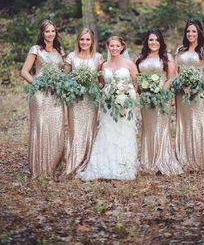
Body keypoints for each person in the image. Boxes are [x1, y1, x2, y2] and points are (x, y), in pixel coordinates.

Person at [78, 35, 138, 180]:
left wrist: (127, 97)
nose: (114, 48)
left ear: (122, 47)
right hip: (108, 106)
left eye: (117, 46)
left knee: (124, 133)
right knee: (107, 132)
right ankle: (105, 165)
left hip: (125, 106)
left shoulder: (130, 64)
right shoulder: (103, 65)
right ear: (107, 47)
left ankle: (124, 165)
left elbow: (137, 85)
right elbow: (101, 84)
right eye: (112, 46)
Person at [21, 20, 65, 178]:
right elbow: (24, 72)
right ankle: (39, 167)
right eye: (47, 31)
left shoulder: (60, 50)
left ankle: (52, 166)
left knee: (56, 126)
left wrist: (62, 83)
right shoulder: (36, 49)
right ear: (42, 33)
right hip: (40, 94)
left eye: (53, 31)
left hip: (56, 93)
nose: (51, 34)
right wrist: (38, 84)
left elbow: (63, 71)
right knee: (41, 126)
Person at [136, 28, 183, 175]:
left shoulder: (166, 57)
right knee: (148, 128)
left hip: (162, 96)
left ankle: (162, 159)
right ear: (147, 41)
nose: (154, 42)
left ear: (160, 42)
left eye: (156, 40)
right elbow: (137, 78)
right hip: (146, 98)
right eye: (151, 40)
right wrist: (142, 90)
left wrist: (161, 90)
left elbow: (172, 77)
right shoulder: (140, 58)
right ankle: (148, 161)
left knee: (160, 127)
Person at [175, 19, 204, 171]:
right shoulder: (180, 49)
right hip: (181, 92)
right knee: (183, 122)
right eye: (188, 31)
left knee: (197, 122)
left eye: (194, 31)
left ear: (199, 33)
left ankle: (198, 158)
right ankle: (183, 157)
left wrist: (200, 86)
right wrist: (181, 84)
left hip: (198, 93)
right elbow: (176, 72)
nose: (190, 34)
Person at [64, 28, 103, 176]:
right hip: (75, 100)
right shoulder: (71, 57)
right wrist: (75, 85)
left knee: (89, 129)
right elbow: (66, 79)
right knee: (75, 129)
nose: (84, 42)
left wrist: (91, 86)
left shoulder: (98, 58)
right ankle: (73, 160)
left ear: (92, 41)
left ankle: (88, 160)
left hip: (91, 100)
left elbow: (101, 82)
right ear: (78, 41)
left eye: (87, 39)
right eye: (82, 39)